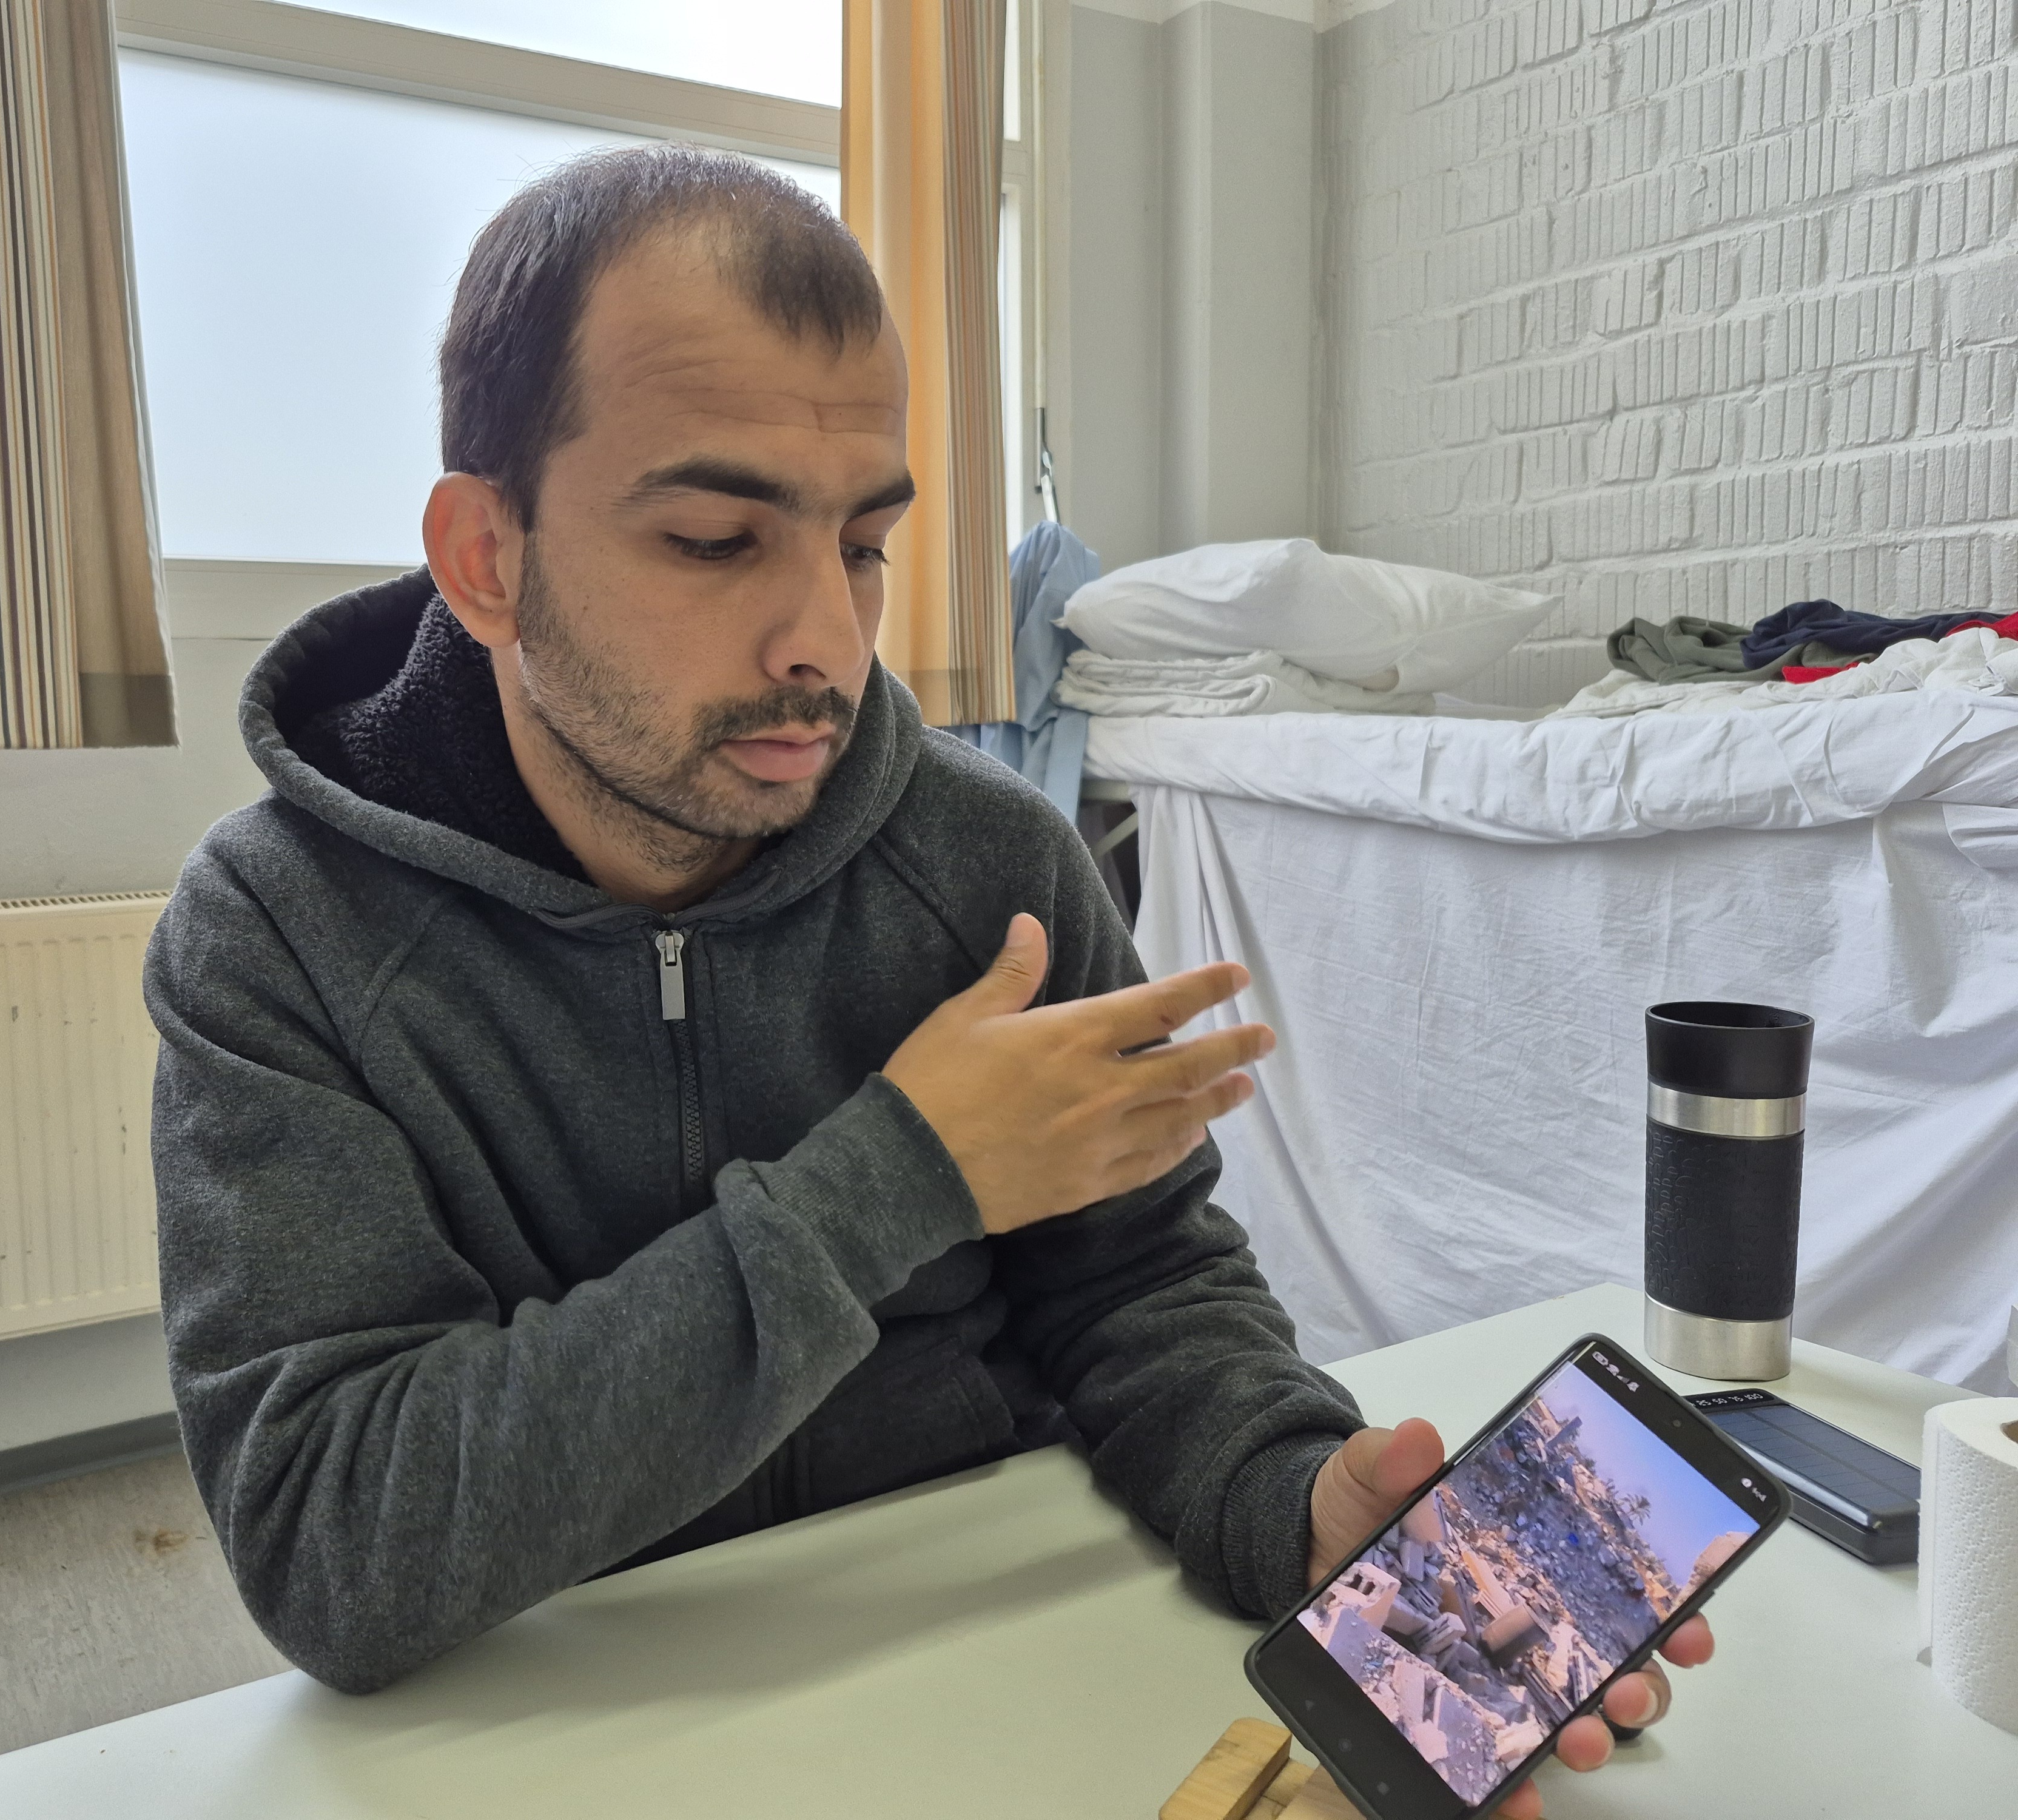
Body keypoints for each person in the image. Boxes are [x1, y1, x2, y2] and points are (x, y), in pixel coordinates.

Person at [145, 146, 1703, 1808]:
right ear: (487, 558)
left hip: (996, 1678)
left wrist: (1292, 1490)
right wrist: (900, 1176)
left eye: (867, 543)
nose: (825, 636)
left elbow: (1143, 1280)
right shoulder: (280, 936)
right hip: (569, 1735)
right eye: (717, 539)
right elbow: (331, 1540)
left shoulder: (991, 865)